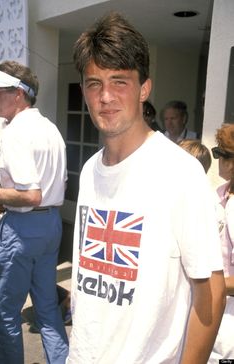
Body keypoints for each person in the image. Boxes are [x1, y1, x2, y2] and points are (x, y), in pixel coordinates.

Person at [67, 12, 225, 364]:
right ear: (84, 92)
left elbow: (210, 290)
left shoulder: (180, 172)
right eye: (94, 84)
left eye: (119, 81)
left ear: (144, 89)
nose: (105, 96)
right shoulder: (91, 169)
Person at [0, 61, 69, 364]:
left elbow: (29, 194)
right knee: (47, 309)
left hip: (23, 227)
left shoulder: (15, 132)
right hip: (51, 223)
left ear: (18, 94)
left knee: (5, 313)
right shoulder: (49, 127)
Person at [208, 123, 234, 363]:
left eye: (220, 154)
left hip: (230, 328)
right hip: (212, 312)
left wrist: (203, 285)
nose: (217, 160)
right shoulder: (219, 194)